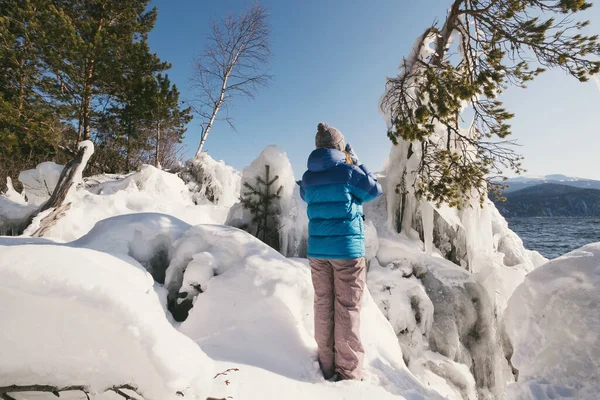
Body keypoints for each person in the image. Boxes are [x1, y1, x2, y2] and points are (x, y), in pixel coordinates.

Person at [299, 122, 382, 381]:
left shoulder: (308, 177)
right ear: (340, 147)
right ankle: (348, 372)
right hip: (347, 251)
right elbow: (374, 190)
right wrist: (357, 163)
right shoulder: (347, 172)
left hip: (318, 252)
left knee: (323, 305)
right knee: (347, 308)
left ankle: (325, 365)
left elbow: (306, 196)